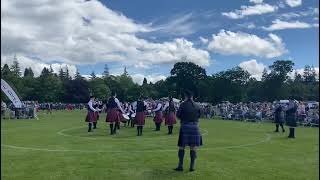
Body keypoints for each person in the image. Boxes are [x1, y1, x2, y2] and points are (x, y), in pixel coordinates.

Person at [174, 90, 202, 172]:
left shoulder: (183, 105)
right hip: (195, 127)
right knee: (193, 147)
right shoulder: (197, 105)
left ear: (185, 96)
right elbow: (200, 115)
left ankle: (180, 166)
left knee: (182, 146)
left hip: (185, 126)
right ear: (192, 96)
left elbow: (178, 115)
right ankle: (192, 167)